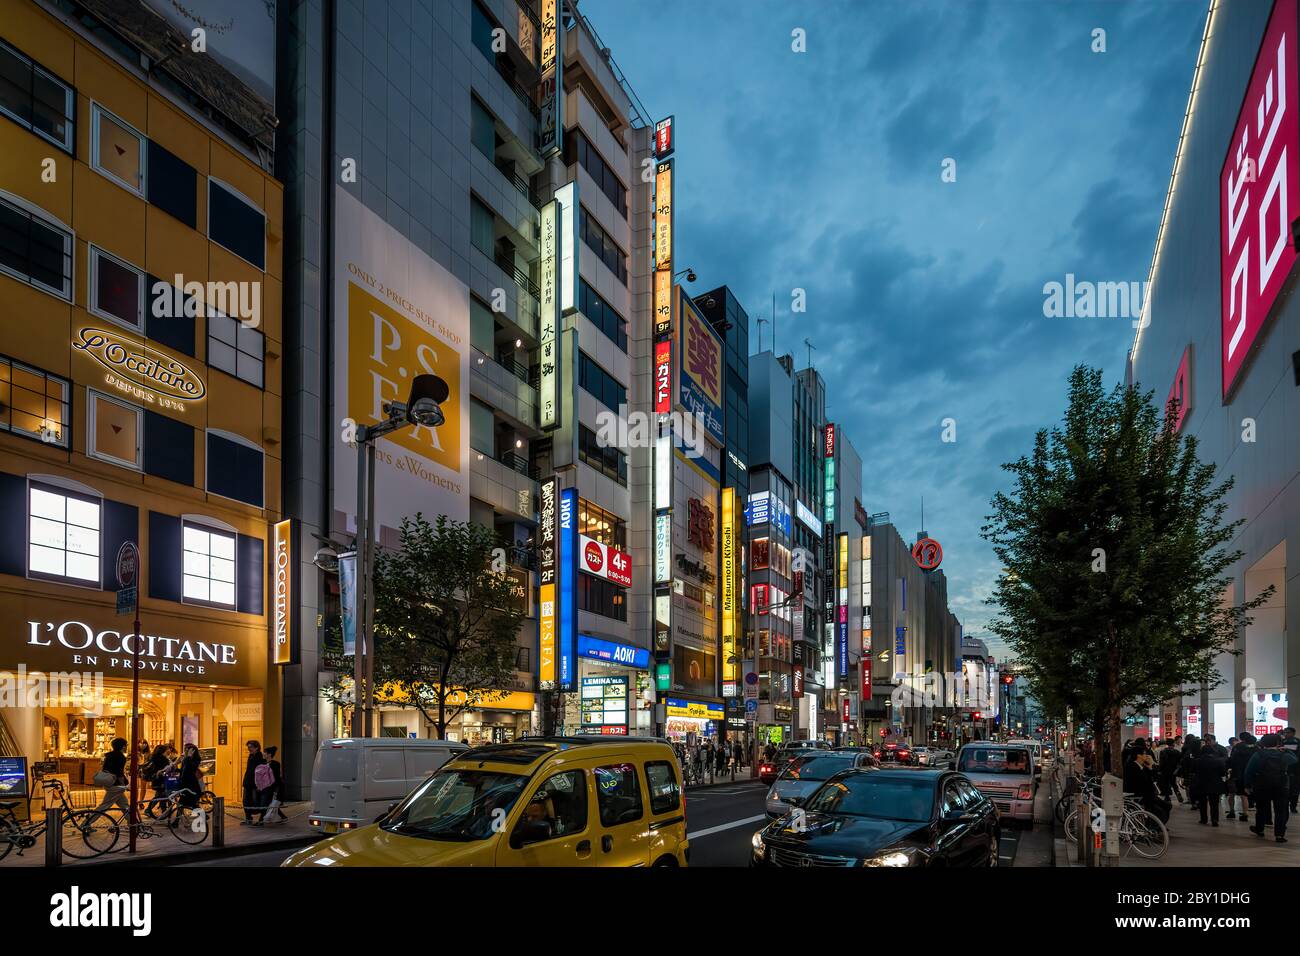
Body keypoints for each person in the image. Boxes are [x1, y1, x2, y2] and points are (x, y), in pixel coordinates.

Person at [1245, 733, 1297, 843]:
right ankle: (1279, 835)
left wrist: (1247, 785)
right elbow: (1294, 760)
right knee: (1281, 811)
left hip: (1262, 784)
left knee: (1262, 808)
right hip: (1281, 785)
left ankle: (1259, 829)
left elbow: (1249, 771)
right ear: (1278, 743)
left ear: (1263, 743)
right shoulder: (1283, 754)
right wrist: (1287, 750)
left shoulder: (1258, 754)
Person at [91, 737, 131, 815]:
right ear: (123, 746)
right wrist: (125, 785)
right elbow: (119, 773)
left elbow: (105, 768)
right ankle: (86, 823)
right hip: (116, 785)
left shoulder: (109, 755)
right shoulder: (121, 757)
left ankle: (133, 824)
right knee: (104, 806)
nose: (126, 747)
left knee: (124, 805)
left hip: (108, 782)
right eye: (126, 745)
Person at [1192, 738, 1227, 826]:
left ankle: (1203, 819)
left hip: (1201, 783)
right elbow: (1223, 773)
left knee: (1202, 802)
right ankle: (1215, 820)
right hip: (1215, 784)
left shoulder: (1197, 761)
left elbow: (1194, 771)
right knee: (1214, 803)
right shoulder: (1218, 761)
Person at [1227, 733, 1257, 820]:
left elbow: (1231, 759)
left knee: (1231, 793)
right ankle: (1245, 814)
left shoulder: (1237, 747)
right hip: (1248, 773)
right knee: (1244, 795)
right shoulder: (1255, 749)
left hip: (1236, 773)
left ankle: (1232, 812)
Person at [241, 740, 267, 826]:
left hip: (255, 784)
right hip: (248, 782)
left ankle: (261, 818)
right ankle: (248, 818)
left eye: (251, 747)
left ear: (256, 747)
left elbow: (261, 771)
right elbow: (249, 770)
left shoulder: (261, 757)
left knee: (256, 801)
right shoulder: (250, 756)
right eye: (248, 747)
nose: (249, 749)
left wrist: (259, 784)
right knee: (245, 801)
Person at [262, 745, 288, 824]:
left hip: (276, 787)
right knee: (271, 803)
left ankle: (262, 820)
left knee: (271, 803)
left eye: (265, 753)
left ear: (269, 754)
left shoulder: (275, 764)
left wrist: (275, 790)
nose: (263, 754)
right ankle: (283, 817)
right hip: (269, 788)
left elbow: (276, 777)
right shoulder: (263, 763)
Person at [177, 743, 203, 811]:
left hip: (191, 784)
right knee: (184, 803)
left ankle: (176, 820)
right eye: (185, 750)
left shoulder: (196, 760)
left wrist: (188, 757)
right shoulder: (186, 759)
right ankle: (176, 820)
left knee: (188, 802)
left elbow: (190, 769)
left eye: (186, 750)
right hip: (184, 783)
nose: (185, 751)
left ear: (193, 751)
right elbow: (183, 770)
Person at [1157, 738, 1184, 804]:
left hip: (1165, 770)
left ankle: (1167, 797)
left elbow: (1162, 762)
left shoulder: (1163, 752)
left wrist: (1160, 770)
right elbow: (1180, 762)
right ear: (1173, 744)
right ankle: (1177, 793)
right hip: (1173, 770)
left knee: (1166, 784)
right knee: (1173, 783)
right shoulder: (1177, 752)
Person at [1280, 728, 1300, 813]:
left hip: (1296, 769)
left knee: (1295, 789)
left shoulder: (1297, 742)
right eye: (1284, 732)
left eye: (1287, 732)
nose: (1285, 734)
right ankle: (1286, 805)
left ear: (1293, 733)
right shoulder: (1282, 741)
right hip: (1284, 768)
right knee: (1285, 789)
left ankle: (1293, 806)